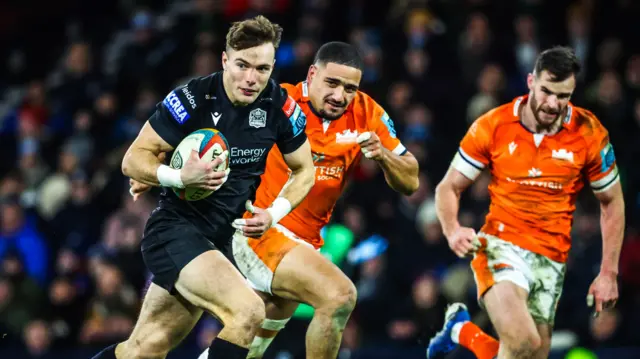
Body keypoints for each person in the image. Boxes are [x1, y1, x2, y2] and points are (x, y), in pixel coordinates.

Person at [91, 15, 315, 359]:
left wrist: (273, 214)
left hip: (219, 240)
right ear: (224, 60)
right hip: (176, 231)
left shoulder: (279, 106)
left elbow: (304, 172)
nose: (252, 78)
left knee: (144, 350)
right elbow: (132, 160)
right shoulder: (193, 98)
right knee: (248, 312)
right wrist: (179, 177)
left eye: (262, 68)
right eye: (242, 65)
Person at [198, 41, 420, 358]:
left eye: (350, 88)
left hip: (305, 243)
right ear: (312, 74)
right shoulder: (278, 100)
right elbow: (212, 118)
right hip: (260, 229)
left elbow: (411, 180)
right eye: (332, 83)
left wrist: (383, 155)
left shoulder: (367, 112)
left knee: (250, 345)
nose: (340, 95)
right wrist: (165, 160)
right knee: (339, 295)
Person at [427, 46, 625, 359]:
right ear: (531, 81)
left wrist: (608, 273)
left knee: (531, 354)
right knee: (523, 344)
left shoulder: (589, 132)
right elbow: (448, 187)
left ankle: (461, 330)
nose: (552, 103)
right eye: (546, 91)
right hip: (500, 245)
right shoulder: (493, 125)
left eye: (563, 95)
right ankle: (462, 329)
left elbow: (612, 201)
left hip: (552, 257)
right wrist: (452, 229)